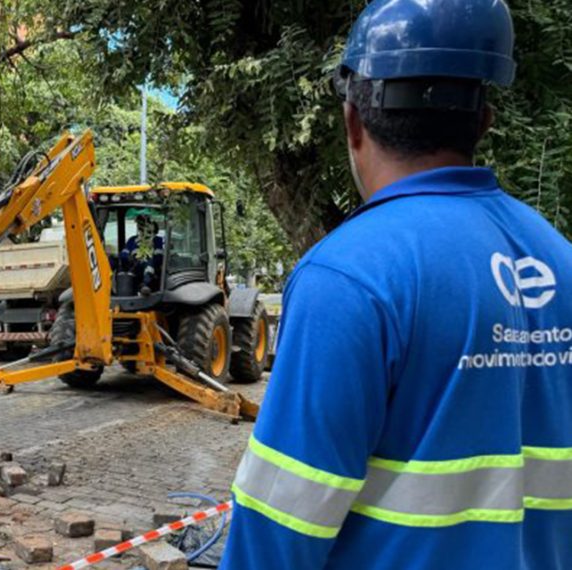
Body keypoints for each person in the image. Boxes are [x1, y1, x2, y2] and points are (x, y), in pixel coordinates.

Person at [221, 1, 572, 568]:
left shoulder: (347, 278)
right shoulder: (562, 261)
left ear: (353, 122)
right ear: (483, 121)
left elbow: (278, 527)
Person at [119, 212, 164, 290]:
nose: (144, 232)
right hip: (134, 268)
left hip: (153, 271)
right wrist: (130, 258)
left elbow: (159, 258)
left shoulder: (158, 241)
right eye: (141, 228)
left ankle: (145, 284)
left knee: (149, 261)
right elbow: (123, 254)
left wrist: (151, 247)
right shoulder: (132, 240)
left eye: (148, 231)